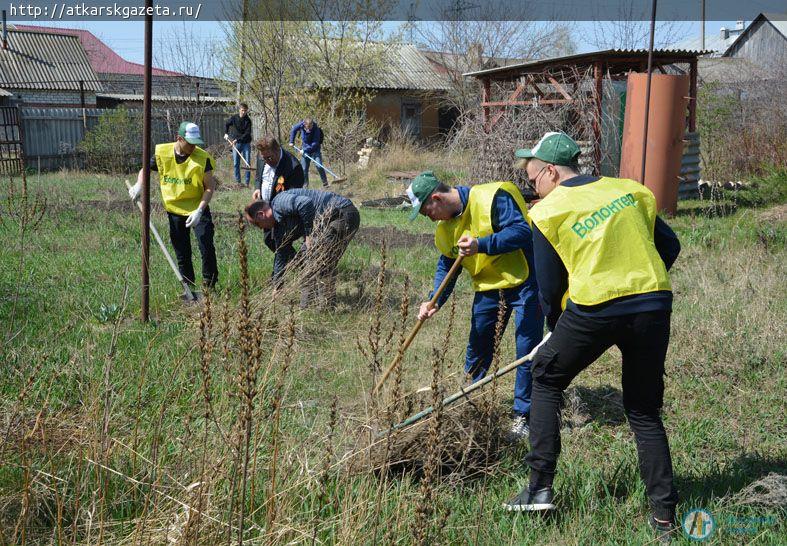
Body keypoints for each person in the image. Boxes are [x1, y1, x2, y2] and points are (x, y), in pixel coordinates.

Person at [502, 132, 681, 541]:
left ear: (550, 171)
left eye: (532, 179)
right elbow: (668, 246)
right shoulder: (630, 190)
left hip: (594, 308)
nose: (532, 188)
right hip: (653, 302)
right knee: (643, 409)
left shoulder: (549, 212)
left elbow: (548, 288)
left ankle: (538, 488)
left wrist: (555, 328)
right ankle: (665, 517)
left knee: (545, 376)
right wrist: (641, 283)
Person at [408, 171, 544, 441]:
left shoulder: (492, 197)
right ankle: (470, 402)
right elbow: (447, 263)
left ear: (436, 198)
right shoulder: (445, 227)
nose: (430, 218)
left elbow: (521, 232)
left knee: (526, 350)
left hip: (525, 280)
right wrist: (434, 299)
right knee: (478, 344)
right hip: (488, 287)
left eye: (427, 212)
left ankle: (523, 415)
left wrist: (481, 245)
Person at [129, 121, 218, 291]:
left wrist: (199, 210)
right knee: (182, 251)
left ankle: (210, 285)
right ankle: (188, 287)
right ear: (179, 138)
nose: (193, 147)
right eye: (189, 143)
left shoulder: (202, 158)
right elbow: (145, 169)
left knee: (206, 245)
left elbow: (209, 186)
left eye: (195, 143)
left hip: (197, 208)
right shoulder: (163, 153)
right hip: (175, 210)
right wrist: (139, 185)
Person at [244, 188, 360, 308]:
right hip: (326, 222)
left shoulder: (279, 202)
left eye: (257, 225)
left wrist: (308, 234)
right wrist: (277, 286)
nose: (261, 229)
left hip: (341, 213)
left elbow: (305, 203)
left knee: (322, 259)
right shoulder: (278, 227)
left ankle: (326, 307)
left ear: (261, 215)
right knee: (305, 262)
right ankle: (305, 307)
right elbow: (281, 254)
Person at [252, 136, 304, 203]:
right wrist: (257, 188)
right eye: (264, 158)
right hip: (263, 206)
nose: (266, 162)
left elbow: (293, 196)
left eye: (269, 158)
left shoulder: (294, 167)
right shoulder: (262, 156)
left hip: (281, 208)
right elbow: (258, 176)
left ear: (278, 150)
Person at [289, 117, 328, 188]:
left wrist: (305, 150)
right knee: (304, 168)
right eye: (308, 127)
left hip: (315, 150)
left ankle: (325, 183)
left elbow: (315, 143)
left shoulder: (316, 129)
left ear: (313, 124)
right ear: (304, 125)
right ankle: (305, 185)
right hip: (305, 150)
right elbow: (294, 129)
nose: (310, 129)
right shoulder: (301, 125)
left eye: (311, 127)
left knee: (319, 166)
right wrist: (291, 141)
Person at [224, 102, 253, 186]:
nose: (244, 112)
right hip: (236, 144)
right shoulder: (234, 118)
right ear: (239, 110)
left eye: (245, 111)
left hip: (246, 143)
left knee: (247, 163)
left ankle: (247, 183)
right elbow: (227, 124)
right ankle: (238, 182)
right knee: (236, 163)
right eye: (242, 110)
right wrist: (226, 133)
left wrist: (236, 139)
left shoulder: (248, 121)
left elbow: (247, 133)